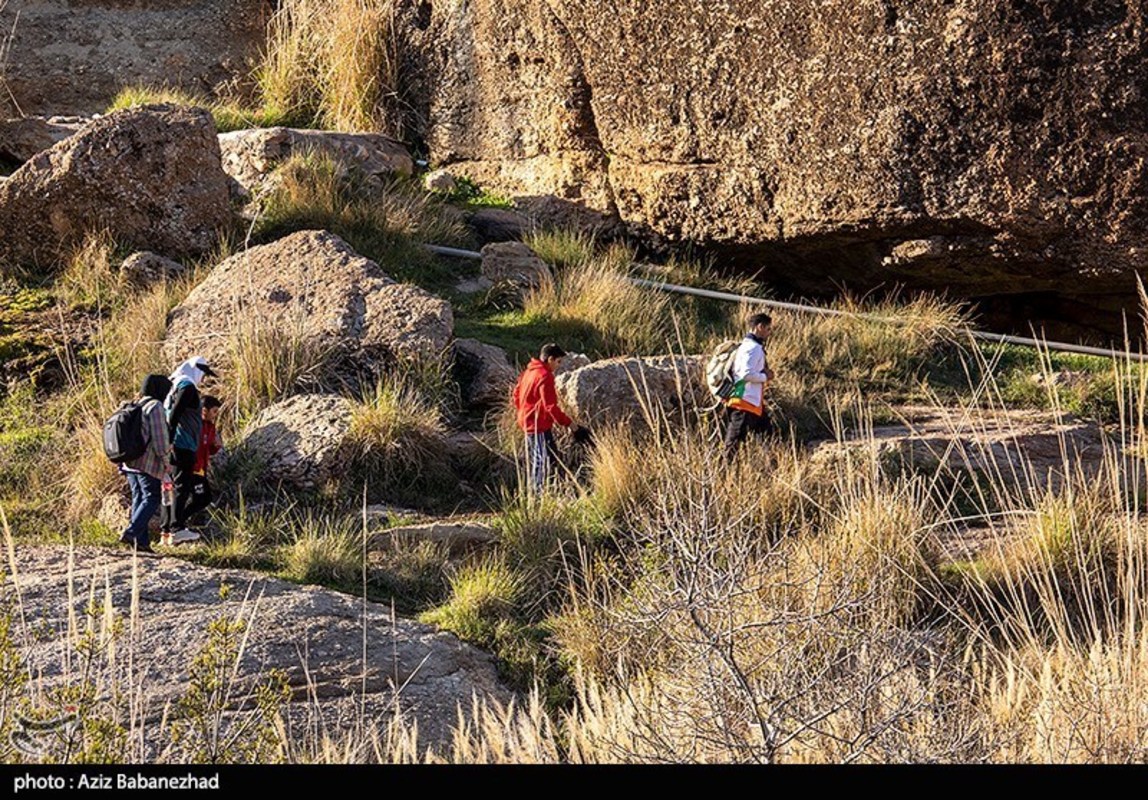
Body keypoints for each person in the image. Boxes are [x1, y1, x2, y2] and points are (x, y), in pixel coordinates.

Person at [161, 356, 217, 544]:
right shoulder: (187, 386)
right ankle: (176, 528)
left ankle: (166, 531)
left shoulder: (174, 386)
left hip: (174, 444)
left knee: (169, 487)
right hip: (182, 444)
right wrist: (170, 439)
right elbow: (175, 414)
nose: (203, 378)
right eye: (203, 373)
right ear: (196, 370)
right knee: (181, 487)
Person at [119, 374, 173, 555]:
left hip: (129, 461)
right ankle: (132, 532)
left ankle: (141, 543)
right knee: (152, 497)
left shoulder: (135, 403)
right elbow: (160, 439)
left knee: (138, 498)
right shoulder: (155, 406)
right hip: (146, 461)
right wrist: (167, 462)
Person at [512, 343, 578, 491]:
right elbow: (551, 407)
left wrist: (523, 410)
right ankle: (537, 495)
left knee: (547, 456)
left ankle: (552, 489)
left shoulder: (529, 371)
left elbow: (516, 394)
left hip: (528, 421)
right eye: (558, 362)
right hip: (537, 425)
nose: (558, 366)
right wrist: (570, 424)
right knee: (541, 460)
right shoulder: (545, 376)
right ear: (550, 359)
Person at [170, 394, 223, 541]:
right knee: (190, 495)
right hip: (190, 466)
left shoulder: (210, 427)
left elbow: (209, 448)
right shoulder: (193, 424)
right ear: (204, 410)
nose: (215, 415)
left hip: (201, 468)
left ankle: (179, 521)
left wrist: (216, 447)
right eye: (214, 411)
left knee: (203, 498)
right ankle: (177, 524)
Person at [723, 312, 775, 461]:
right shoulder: (753, 348)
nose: (769, 333)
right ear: (760, 327)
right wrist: (766, 376)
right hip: (744, 401)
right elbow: (745, 374)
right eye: (768, 329)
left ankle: (770, 466)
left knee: (766, 434)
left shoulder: (745, 346)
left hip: (749, 401)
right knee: (733, 442)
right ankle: (724, 471)